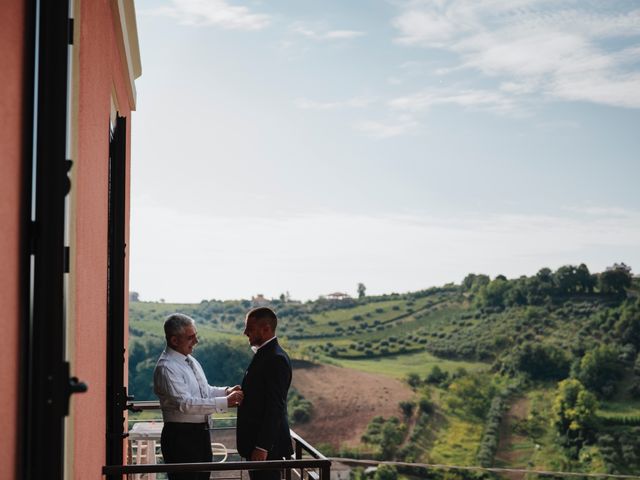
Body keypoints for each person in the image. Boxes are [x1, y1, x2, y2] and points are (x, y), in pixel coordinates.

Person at [153, 313, 244, 480]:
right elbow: (185, 404)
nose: (196, 341)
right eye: (191, 337)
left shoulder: (190, 361)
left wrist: (227, 391)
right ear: (174, 340)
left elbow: (205, 391)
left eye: (195, 336)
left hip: (200, 434)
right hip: (181, 437)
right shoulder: (166, 368)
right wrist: (225, 402)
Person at [237, 307, 293, 480]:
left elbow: (275, 406)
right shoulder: (265, 353)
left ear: (266, 329)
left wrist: (262, 447)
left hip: (266, 449)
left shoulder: (275, 359)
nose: (245, 332)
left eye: (250, 328)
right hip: (258, 444)